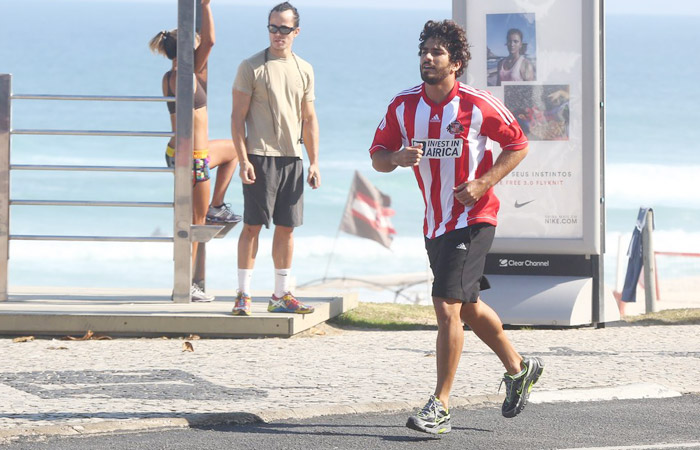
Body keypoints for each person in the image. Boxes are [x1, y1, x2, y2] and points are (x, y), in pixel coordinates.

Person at [369, 20, 544, 435]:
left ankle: (440, 406)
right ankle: (520, 369)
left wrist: (484, 181)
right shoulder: (403, 106)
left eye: (437, 53)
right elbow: (377, 154)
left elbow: (518, 143)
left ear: (457, 63)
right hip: (435, 222)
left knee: (445, 305)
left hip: (474, 217)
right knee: (466, 306)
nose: (428, 58)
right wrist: (396, 158)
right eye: (424, 51)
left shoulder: (477, 104)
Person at [230, 2, 319, 316]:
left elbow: (309, 119)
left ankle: (281, 295)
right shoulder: (251, 66)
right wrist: (243, 160)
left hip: (291, 159)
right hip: (259, 156)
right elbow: (237, 118)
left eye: (284, 28)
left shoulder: (304, 68)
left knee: (287, 228)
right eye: (273, 27)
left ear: (296, 31)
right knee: (252, 226)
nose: (278, 34)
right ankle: (243, 294)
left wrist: (314, 162)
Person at [149, 0, 241, 302]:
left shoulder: (170, 77)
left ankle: (217, 205)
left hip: (180, 151)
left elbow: (207, 42)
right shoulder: (189, 75)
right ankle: (186, 284)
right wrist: (206, 6)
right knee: (195, 223)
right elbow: (211, 40)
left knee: (234, 150)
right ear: (189, 51)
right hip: (194, 157)